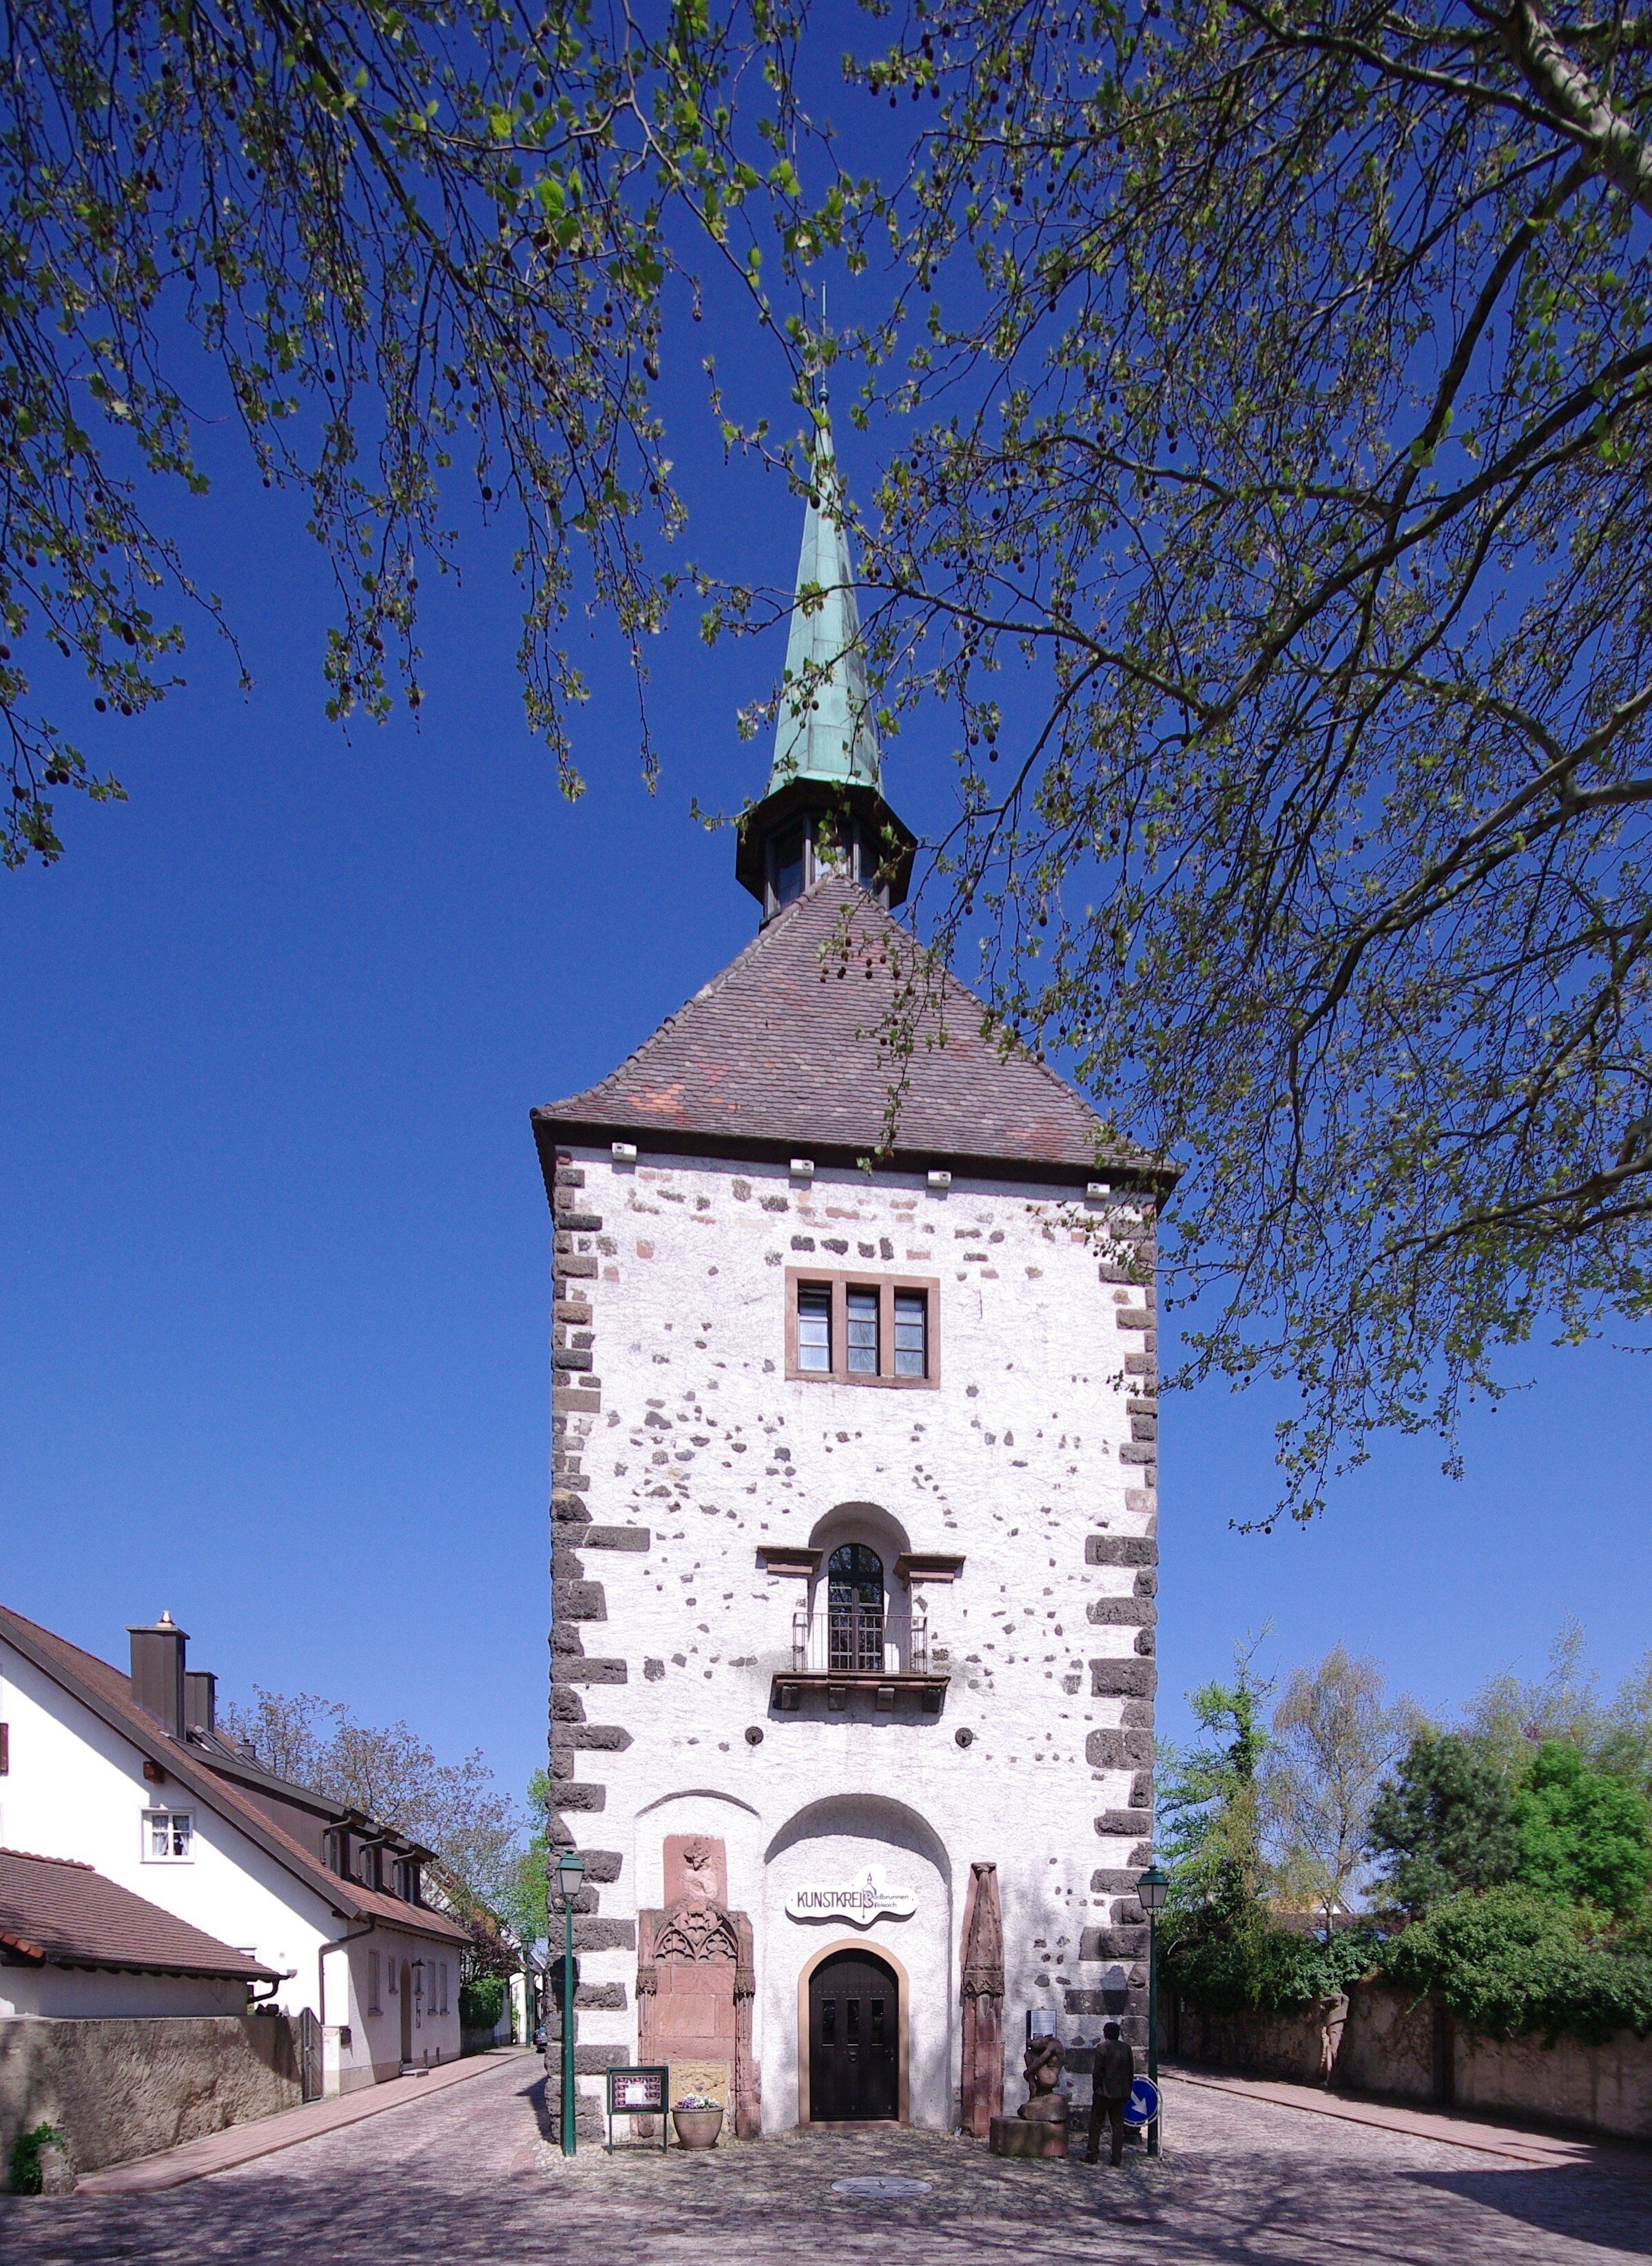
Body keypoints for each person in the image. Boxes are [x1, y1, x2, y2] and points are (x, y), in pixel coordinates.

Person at [1084, 2021, 1136, 2166]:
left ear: (1105, 2034)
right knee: (1118, 2126)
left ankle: (1092, 2154)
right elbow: (1130, 2071)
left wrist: (1097, 2088)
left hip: (1104, 2092)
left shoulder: (1102, 2048)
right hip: (1121, 2093)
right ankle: (1116, 2157)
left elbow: (1098, 2072)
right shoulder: (1126, 2048)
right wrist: (1127, 2089)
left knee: (1096, 2123)